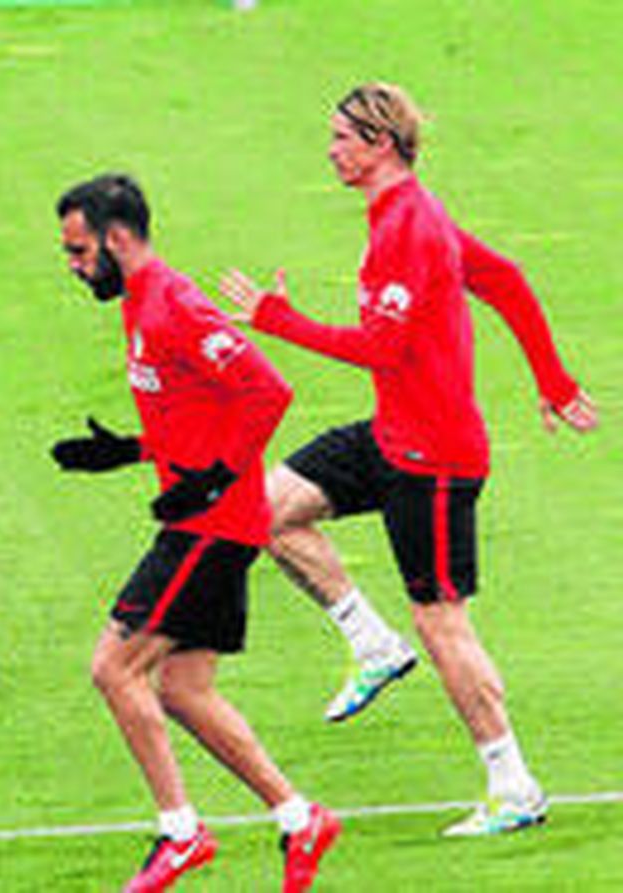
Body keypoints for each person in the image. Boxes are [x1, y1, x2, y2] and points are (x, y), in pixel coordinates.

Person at [218, 82, 597, 836]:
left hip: (435, 457)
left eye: (340, 138)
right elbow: (504, 278)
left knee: (444, 623)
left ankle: (513, 783)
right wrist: (553, 382)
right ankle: (369, 640)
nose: (330, 149)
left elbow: (383, 348)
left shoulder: (410, 228)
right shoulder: (408, 212)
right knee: (260, 511)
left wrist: (276, 320)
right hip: (394, 433)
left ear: (379, 145)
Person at [52, 175, 339, 891]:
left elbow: (267, 389)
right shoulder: (138, 303)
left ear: (117, 239)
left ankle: (180, 831)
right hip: (206, 517)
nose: (73, 264)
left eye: (79, 249)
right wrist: (131, 449)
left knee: (114, 668)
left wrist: (216, 475)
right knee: (182, 688)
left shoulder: (174, 302)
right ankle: (299, 816)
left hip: (211, 526)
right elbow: (193, 408)